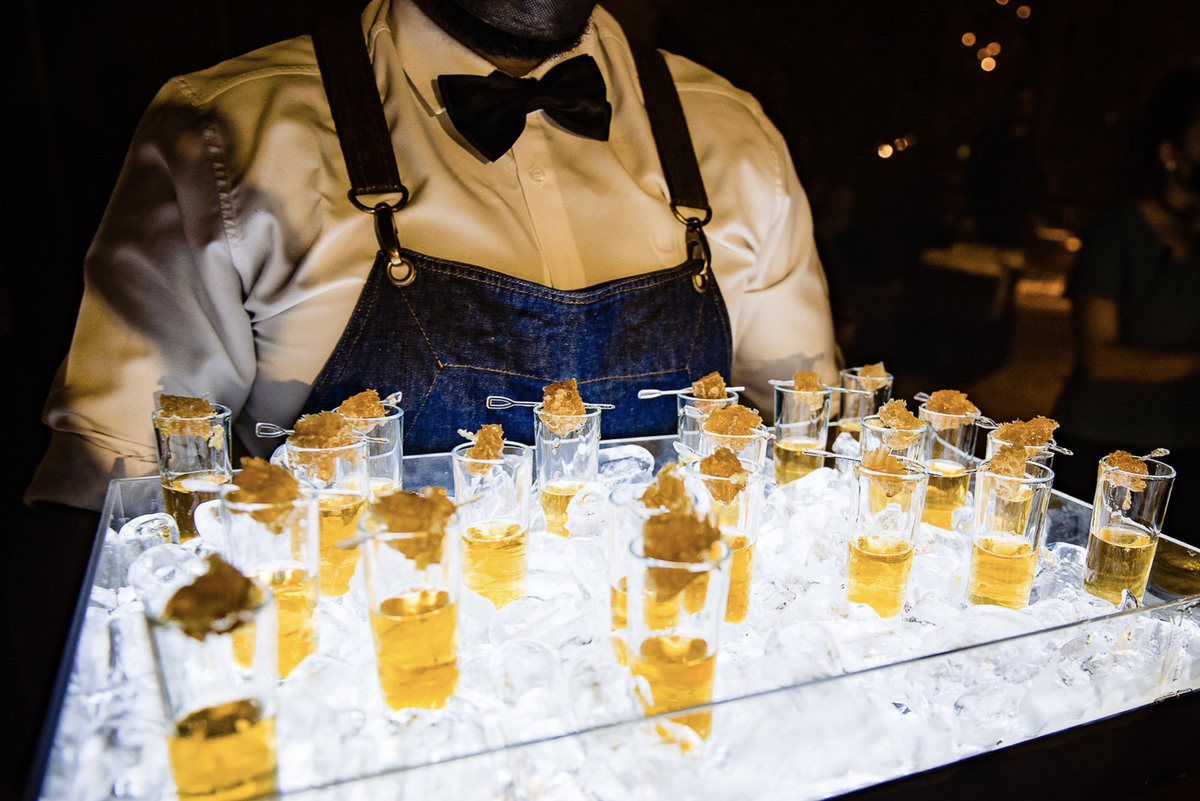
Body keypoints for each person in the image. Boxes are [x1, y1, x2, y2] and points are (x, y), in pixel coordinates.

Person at [10, 0, 838, 768]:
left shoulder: (733, 133)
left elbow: (810, 456)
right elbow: (104, 510)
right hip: (374, 746)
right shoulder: (226, 131)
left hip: (669, 733)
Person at [1053, 67, 1200, 545]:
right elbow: (1101, 357)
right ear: (1169, 153)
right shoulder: (1117, 233)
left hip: (1188, 451)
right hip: (1105, 446)